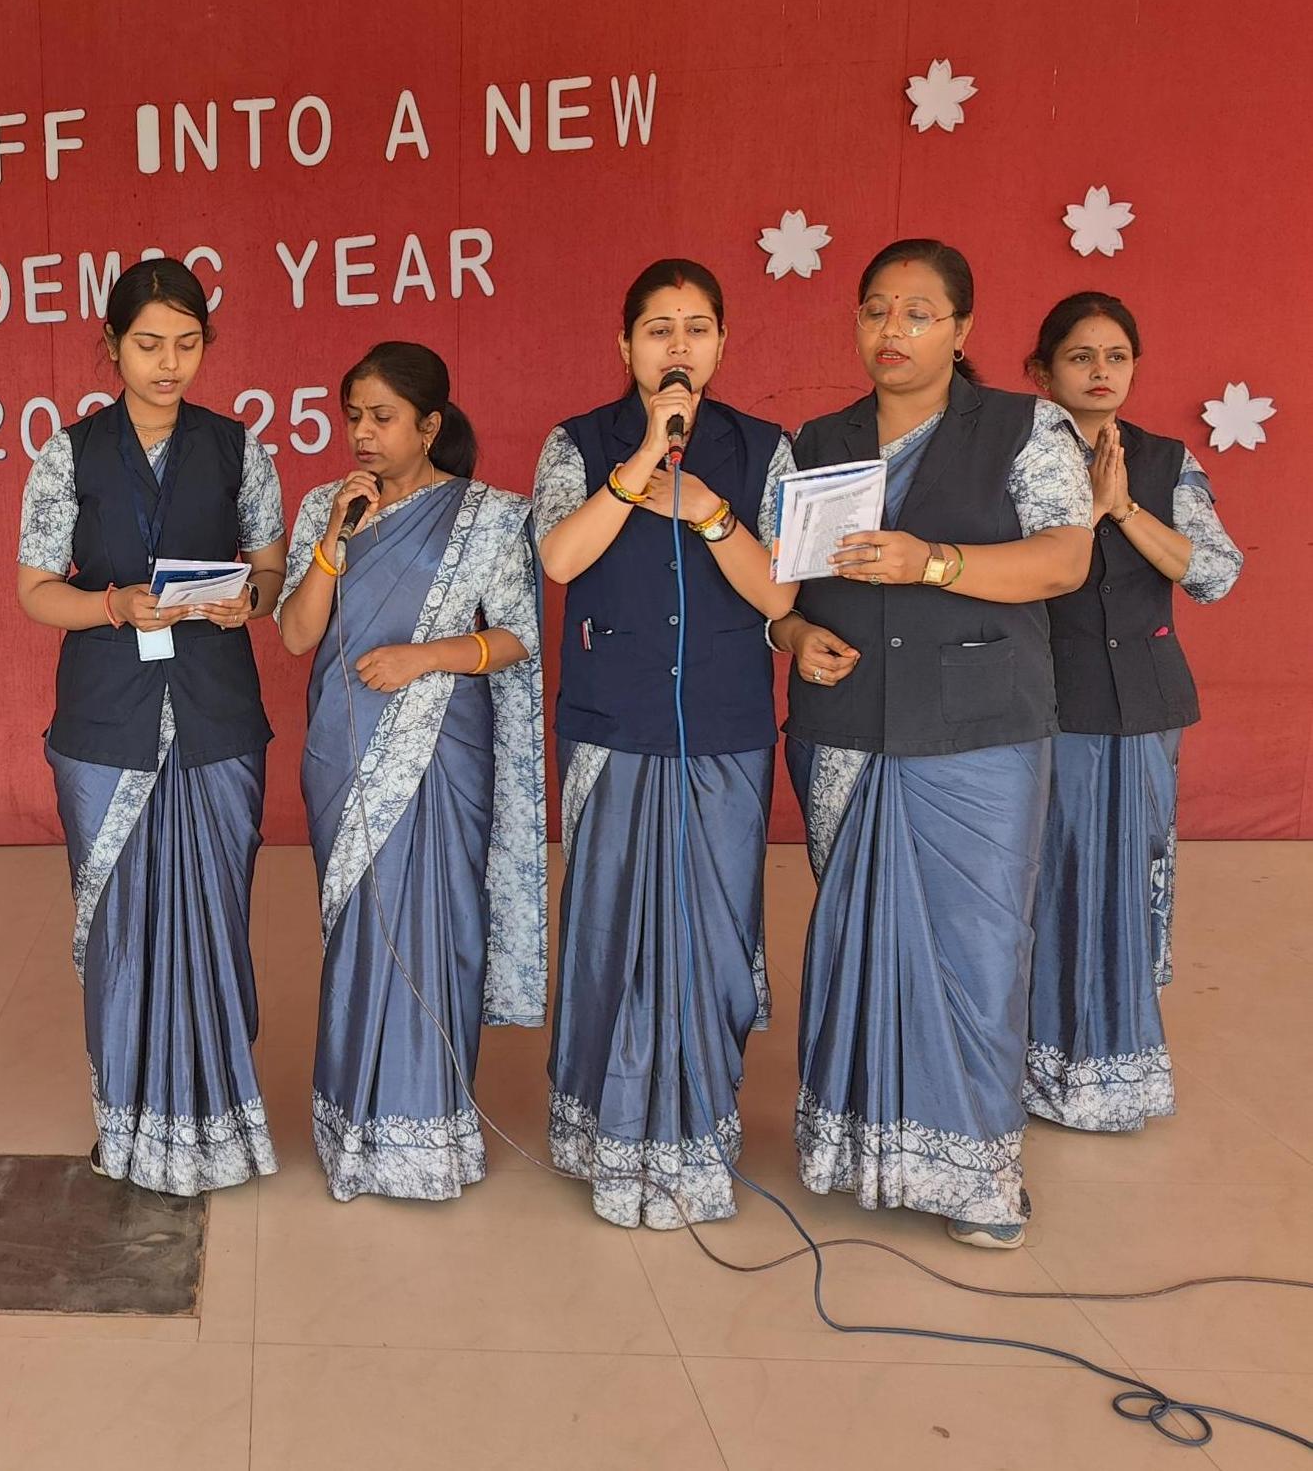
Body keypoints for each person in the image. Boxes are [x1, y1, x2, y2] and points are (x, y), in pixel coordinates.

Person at [768, 239, 1093, 1249]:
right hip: (848, 727)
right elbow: (777, 589)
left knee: (977, 949)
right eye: (875, 309)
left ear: (962, 330)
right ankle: (865, 1144)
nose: (892, 331)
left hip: (979, 732)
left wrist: (935, 562)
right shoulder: (813, 441)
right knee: (861, 937)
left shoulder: (1024, 427)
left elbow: (1065, 558)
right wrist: (791, 632)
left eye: (917, 312)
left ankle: (978, 1170)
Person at [14, 258, 287, 1194]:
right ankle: (127, 1125)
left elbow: (272, 572)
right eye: (147, 345)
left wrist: (243, 601)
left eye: (186, 344)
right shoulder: (70, 452)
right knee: (121, 927)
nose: (168, 365)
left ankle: (218, 1122)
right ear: (111, 345)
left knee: (214, 916)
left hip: (215, 716)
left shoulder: (239, 448)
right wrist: (113, 607)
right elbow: (35, 590)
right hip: (104, 723)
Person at [533, 260, 796, 1228]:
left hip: (722, 727)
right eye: (656, 329)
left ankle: (694, 1126)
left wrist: (711, 511)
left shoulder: (769, 449)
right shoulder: (579, 442)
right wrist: (643, 459)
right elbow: (559, 556)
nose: (676, 347)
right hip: (613, 723)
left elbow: (782, 594)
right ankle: (606, 1123)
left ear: (723, 344)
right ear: (624, 347)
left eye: (694, 328)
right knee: (609, 923)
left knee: (714, 934)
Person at [275, 342, 546, 1201]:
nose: (361, 433)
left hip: (441, 746)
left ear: (429, 426)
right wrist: (328, 543)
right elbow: (293, 635)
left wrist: (426, 657)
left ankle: (428, 1126)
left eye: (381, 418)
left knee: (440, 927)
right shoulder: (328, 506)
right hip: (344, 751)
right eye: (353, 415)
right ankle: (355, 1125)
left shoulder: (490, 516)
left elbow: (516, 637)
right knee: (362, 932)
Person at [1020, 292, 1243, 1131]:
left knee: (1128, 878)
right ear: (1041, 373)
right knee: (1052, 877)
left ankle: (1113, 1068)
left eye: (1116, 356)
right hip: (1045, 703)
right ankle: (1031, 1063)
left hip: (1145, 705)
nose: (1100, 372)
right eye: (1080, 357)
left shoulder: (1163, 460)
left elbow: (1213, 573)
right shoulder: (1016, 457)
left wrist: (1121, 508)